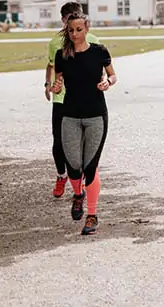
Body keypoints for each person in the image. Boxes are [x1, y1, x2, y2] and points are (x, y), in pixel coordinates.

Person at [51, 13, 116, 236]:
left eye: (79, 29)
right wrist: (56, 86)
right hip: (69, 116)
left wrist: (108, 81)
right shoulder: (62, 55)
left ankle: (92, 215)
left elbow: (113, 76)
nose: (75, 34)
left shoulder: (99, 51)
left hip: (96, 115)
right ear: (67, 31)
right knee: (73, 165)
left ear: (86, 28)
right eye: (71, 30)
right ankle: (77, 194)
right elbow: (57, 83)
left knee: (90, 166)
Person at [44, 1, 100, 198]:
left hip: (87, 101)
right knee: (59, 143)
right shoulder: (55, 44)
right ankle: (61, 175)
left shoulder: (94, 40)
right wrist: (47, 84)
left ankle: (82, 180)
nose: (75, 30)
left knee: (84, 144)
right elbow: (52, 66)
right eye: (70, 22)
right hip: (62, 101)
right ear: (63, 21)